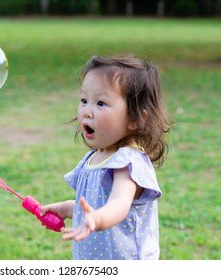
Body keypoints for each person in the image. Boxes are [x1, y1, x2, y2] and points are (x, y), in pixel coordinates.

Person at [41, 55, 173, 260]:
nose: (87, 111)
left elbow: (119, 203)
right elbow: (99, 204)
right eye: (84, 100)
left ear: (135, 119)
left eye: (100, 103)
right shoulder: (94, 157)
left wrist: (98, 219)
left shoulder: (128, 162)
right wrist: (68, 209)